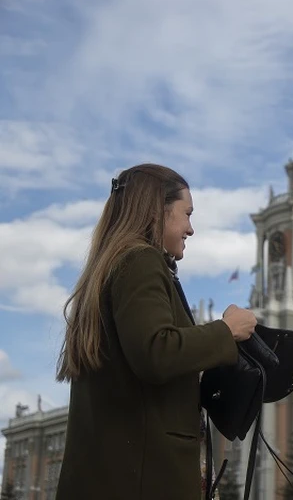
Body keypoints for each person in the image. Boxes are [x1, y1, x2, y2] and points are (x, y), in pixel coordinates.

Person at [55, 163, 258, 500]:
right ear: (157, 212)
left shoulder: (109, 267)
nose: (191, 229)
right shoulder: (141, 261)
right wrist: (227, 331)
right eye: (187, 214)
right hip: (145, 479)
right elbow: (156, 352)